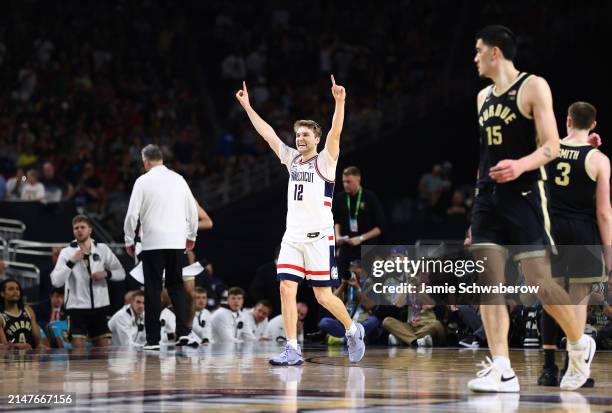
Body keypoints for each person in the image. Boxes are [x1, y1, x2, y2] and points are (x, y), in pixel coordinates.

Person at [467, 25, 594, 392]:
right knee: (488, 281)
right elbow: (484, 156)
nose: (474, 58)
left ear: (495, 52)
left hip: (524, 195)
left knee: (540, 283)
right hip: (487, 197)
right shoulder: (482, 98)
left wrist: (520, 165)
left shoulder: (533, 86)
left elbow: (552, 146)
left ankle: (579, 343)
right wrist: (478, 201)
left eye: (478, 51)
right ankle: (503, 369)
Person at [235, 75, 366, 366]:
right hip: (292, 237)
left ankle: (352, 329)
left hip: (319, 237)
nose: (300, 138)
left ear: (316, 140)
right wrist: (247, 107)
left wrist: (340, 101)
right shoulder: (292, 159)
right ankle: (292, 348)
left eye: (306, 135)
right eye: (298, 134)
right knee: (285, 288)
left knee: (323, 297)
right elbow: (268, 134)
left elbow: (336, 131)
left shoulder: (326, 160)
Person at [538, 102, 611, 387]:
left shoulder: (550, 147)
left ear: (567, 120)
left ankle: (547, 369)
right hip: (582, 231)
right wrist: (609, 252)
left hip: (551, 228)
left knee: (550, 298)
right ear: (593, 125)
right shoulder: (599, 159)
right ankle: (574, 368)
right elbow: (604, 212)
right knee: (577, 299)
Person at [124, 144, 198, 350]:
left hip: (152, 243)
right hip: (176, 242)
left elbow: (132, 215)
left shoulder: (142, 181)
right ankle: (183, 333)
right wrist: (191, 235)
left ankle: (153, 340)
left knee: (153, 289)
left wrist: (129, 239)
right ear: (162, 159)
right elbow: (192, 210)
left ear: (145, 161)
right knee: (176, 286)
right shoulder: (178, 179)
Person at [50, 215, 126, 349]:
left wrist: (106, 273)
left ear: (90, 229)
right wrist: (71, 262)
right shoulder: (67, 253)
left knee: (103, 353)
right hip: (76, 309)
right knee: (77, 351)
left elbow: (121, 273)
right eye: (76, 228)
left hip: (100, 308)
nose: (79, 230)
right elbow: (56, 281)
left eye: (82, 227)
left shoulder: (102, 249)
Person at [333, 166, 385, 280]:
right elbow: (336, 221)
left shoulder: (369, 197)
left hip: (366, 246)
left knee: (365, 281)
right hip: (346, 245)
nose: (345, 184)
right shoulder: (340, 198)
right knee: (341, 278)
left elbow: (380, 227)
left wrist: (361, 238)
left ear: (358, 179)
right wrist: (337, 236)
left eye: (349, 182)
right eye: (344, 182)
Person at [0, 278, 48, 349]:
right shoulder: (1, 316)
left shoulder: (28, 310)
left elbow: (38, 340)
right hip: (10, 358)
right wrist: (16, 346)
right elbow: (3, 347)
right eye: (11, 289)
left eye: (17, 289)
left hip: (30, 356)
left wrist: (41, 346)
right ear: (2, 293)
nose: (15, 291)